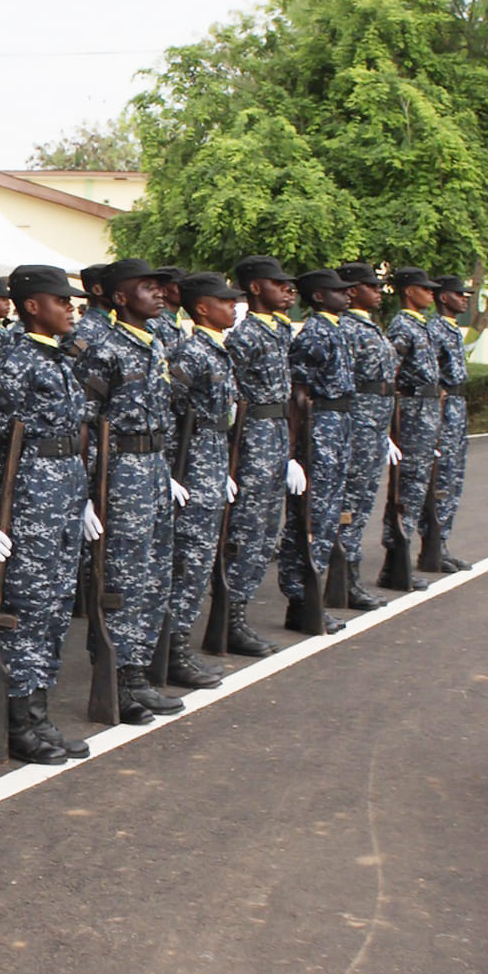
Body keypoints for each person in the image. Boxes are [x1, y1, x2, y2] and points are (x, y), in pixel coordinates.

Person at [0, 264, 93, 764]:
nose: (71, 309)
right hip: (32, 496)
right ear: (34, 306)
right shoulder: (17, 359)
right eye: (62, 300)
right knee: (27, 607)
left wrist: (82, 496)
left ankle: (37, 713)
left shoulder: (57, 357)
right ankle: (17, 720)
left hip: (64, 491)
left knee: (55, 606)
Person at [72, 257, 183, 722]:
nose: (158, 293)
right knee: (122, 576)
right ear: (120, 298)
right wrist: (85, 492)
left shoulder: (154, 342)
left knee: (154, 573)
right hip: (120, 472)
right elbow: (83, 422)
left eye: (159, 287)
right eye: (147, 287)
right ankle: (115, 676)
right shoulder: (105, 349)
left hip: (153, 466)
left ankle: (137, 672)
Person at [161, 271, 240, 688]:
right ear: (203, 308)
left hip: (210, 463)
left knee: (200, 559)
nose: (233, 307)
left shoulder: (217, 350)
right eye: (224, 302)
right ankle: (170, 651)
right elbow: (170, 413)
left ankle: (177, 645)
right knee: (187, 562)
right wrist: (172, 472)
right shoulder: (191, 354)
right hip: (191, 471)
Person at [220, 254, 301, 657]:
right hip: (252, 439)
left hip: (276, 434)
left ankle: (241, 610)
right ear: (255, 288)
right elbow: (231, 398)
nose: (288, 289)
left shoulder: (280, 331)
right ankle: (230, 618)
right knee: (247, 531)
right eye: (278, 283)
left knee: (268, 529)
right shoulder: (245, 337)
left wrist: (290, 452)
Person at [278, 269, 357, 636]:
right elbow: (298, 393)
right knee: (311, 516)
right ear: (320, 297)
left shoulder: (336, 329)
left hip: (338, 425)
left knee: (327, 516)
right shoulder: (314, 334)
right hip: (320, 428)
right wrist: (293, 452)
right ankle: (301, 598)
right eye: (338, 291)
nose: (347, 295)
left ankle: (310, 599)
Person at [332, 262, 398, 611]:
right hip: (357, 427)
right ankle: (344, 578)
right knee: (350, 504)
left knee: (362, 502)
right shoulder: (347, 329)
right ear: (353, 290)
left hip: (373, 427)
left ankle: (349, 577)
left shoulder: (370, 326)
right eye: (372, 287)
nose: (378, 292)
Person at [384, 268, 445, 592]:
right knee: (407, 487)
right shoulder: (403, 326)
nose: (431, 294)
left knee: (418, 485)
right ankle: (396, 561)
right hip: (412, 412)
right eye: (425, 288)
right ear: (409, 291)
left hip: (426, 411)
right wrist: (389, 424)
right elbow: (389, 373)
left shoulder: (421, 325)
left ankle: (400, 560)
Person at [428, 274, 474, 572]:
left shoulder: (453, 329)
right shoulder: (435, 330)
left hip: (458, 407)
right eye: (459, 294)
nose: (465, 299)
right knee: (441, 478)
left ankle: (442, 542)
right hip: (443, 410)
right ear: (444, 297)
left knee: (454, 477)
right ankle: (433, 545)